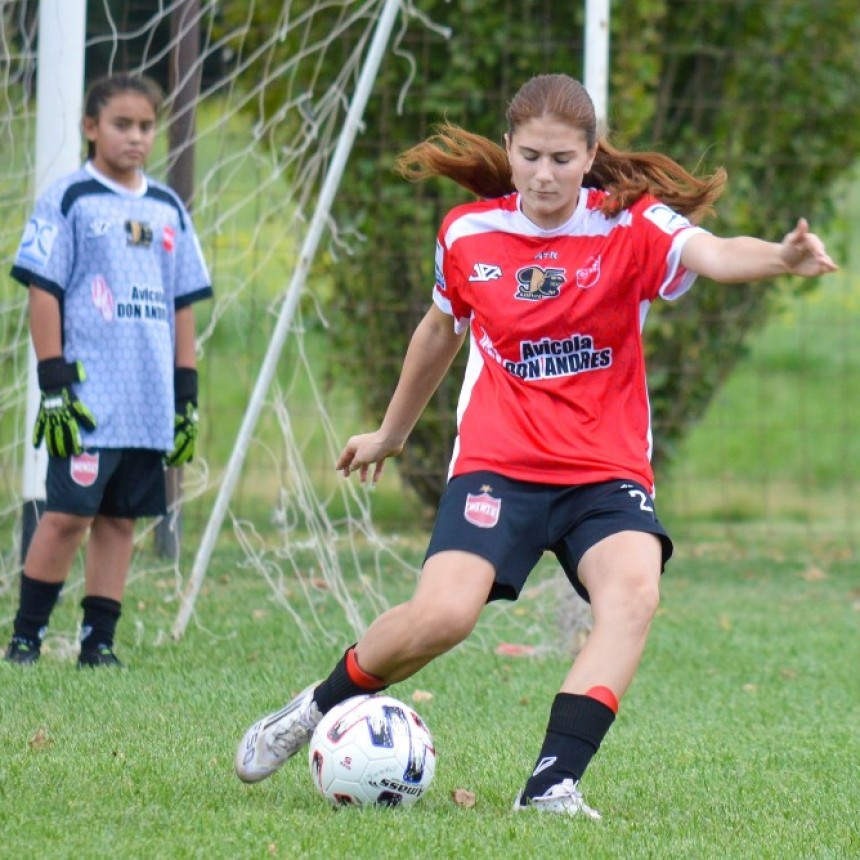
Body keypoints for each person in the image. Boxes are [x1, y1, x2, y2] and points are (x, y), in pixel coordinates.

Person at [234, 73, 836, 814]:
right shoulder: (467, 234)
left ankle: (551, 784)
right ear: (511, 153)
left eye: (560, 159)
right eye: (530, 157)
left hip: (605, 471)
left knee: (634, 596)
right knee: (444, 617)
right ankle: (314, 706)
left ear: (589, 157)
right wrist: (391, 432)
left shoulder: (630, 227)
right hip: (499, 464)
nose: (544, 175)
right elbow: (436, 331)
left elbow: (711, 253)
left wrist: (780, 257)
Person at [4, 73, 213, 668]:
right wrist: (53, 383)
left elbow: (182, 304)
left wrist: (186, 393)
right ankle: (25, 638)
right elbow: (42, 291)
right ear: (91, 127)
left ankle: (99, 643)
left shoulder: (167, 207)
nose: (136, 137)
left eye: (146, 126)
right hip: (89, 396)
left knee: (121, 520)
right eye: (122, 125)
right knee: (69, 514)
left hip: (147, 400)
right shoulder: (70, 199)